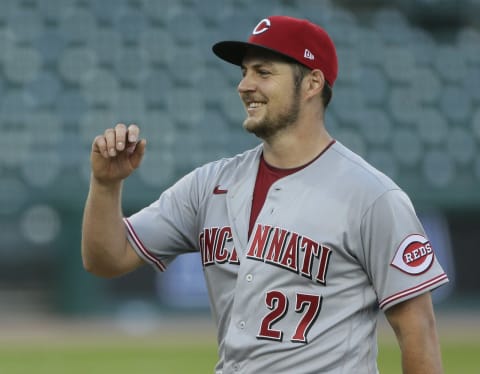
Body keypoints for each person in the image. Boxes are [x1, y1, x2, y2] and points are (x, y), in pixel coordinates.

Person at [82, 15, 449, 374]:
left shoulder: (372, 196)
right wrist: (105, 185)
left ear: (312, 84)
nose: (244, 85)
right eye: (244, 72)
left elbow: (418, 331)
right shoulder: (209, 185)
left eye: (263, 72)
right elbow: (108, 259)